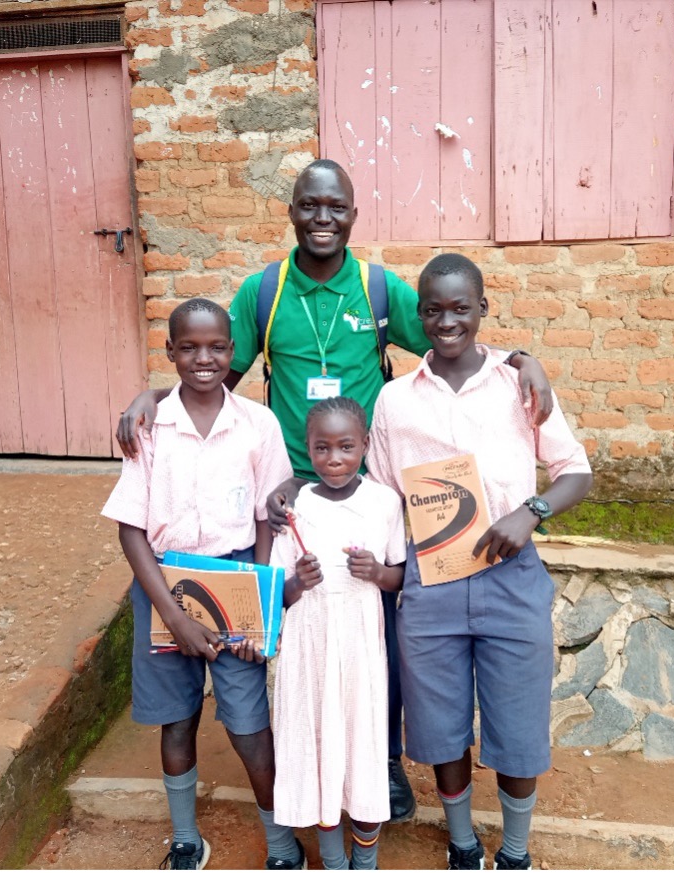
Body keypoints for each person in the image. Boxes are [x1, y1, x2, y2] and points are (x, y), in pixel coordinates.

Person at [117, 159, 555, 823]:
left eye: (336, 207)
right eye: (309, 205)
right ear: (292, 210)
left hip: (367, 489)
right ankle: (311, 757)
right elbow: (210, 378)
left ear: (353, 214)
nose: (322, 219)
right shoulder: (264, 293)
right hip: (291, 498)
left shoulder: (377, 289)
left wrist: (523, 359)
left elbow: (452, 333)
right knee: (302, 627)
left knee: (378, 626)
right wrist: (151, 397)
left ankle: (379, 762)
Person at [366, 254, 594, 870]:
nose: (447, 321)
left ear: (483, 310)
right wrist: (391, 572)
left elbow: (576, 471)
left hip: (510, 577)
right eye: (433, 310)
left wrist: (531, 512)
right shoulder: (394, 401)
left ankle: (515, 852)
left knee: (518, 725)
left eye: (461, 308)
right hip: (432, 579)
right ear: (419, 316)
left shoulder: (518, 385)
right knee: (440, 724)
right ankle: (462, 844)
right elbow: (383, 495)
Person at [101, 299, 306, 870]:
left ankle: (281, 842)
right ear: (169, 352)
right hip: (164, 583)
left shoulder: (258, 424)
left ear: (233, 352)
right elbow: (131, 529)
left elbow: (267, 517)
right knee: (177, 718)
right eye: (188, 348)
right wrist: (174, 616)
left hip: (235, 578)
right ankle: (186, 838)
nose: (203, 359)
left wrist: (260, 603)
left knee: (249, 723)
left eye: (216, 347)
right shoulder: (150, 428)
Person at [269, 396, 406, 870]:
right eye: (322, 448)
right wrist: (296, 583)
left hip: (360, 644)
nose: (334, 459)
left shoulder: (384, 502)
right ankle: (331, 859)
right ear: (306, 449)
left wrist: (377, 573)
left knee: (361, 743)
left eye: (346, 447)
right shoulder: (293, 509)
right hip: (308, 644)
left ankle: (364, 860)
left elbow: (401, 576)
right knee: (316, 747)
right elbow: (277, 592)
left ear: (365, 445)